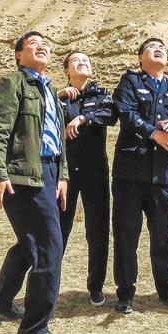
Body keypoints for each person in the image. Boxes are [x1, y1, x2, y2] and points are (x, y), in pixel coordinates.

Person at [0, 31, 69, 334]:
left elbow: (56, 139)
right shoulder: (11, 83)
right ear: (19, 55)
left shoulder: (50, 89)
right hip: (23, 176)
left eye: (45, 43)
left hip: (49, 172)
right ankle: (35, 329)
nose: (41, 46)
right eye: (33, 44)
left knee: (29, 243)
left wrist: (62, 176)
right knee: (49, 248)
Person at [111, 37, 168, 314]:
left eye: (162, 48)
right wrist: (154, 133)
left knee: (163, 235)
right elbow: (126, 113)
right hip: (130, 173)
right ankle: (125, 294)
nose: (158, 50)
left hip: (161, 174)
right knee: (126, 236)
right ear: (140, 57)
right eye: (151, 48)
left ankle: (167, 290)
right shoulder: (131, 81)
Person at [56, 51, 116, 307]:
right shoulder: (57, 97)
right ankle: (49, 286)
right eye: (76, 61)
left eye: (86, 61)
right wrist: (57, 96)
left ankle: (96, 287)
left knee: (98, 230)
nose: (82, 63)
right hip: (65, 173)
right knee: (59, 230)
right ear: (66, 71)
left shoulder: (101, 94)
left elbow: (111, 115)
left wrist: (83, 118)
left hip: (95, 171)